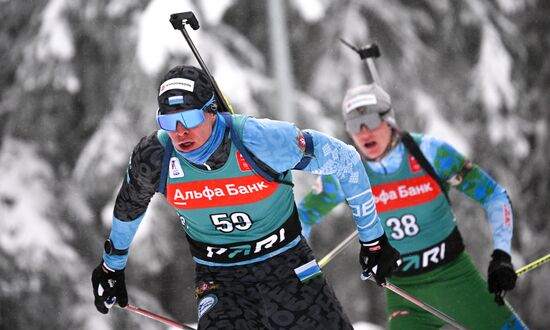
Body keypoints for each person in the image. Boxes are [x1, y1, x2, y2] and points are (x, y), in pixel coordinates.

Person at [91, 65, 401, 330]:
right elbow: (129, 206)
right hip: (219, 280)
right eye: (169, 122)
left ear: (212, 112)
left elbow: (346, 160)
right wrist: (111, 267)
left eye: (188, 119)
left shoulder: (259, 140)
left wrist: (374, 241)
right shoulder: (155, 156)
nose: (180, 131)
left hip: (287, 267)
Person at [298, 83, 528, 329]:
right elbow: (302, 216)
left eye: (371, 120)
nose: (364, 133)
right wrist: (297, 268)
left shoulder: (430, 153)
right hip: (404, 294)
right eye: (354, 125)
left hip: (456, 278)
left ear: (389, 120)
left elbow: (494, 195)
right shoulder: (346, 172)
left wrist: (502, 255)